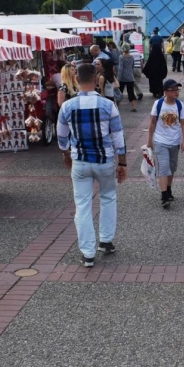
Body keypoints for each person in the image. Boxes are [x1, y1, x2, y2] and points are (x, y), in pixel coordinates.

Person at [57, 63, 127, 267]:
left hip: (80, 161)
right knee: (108, 198)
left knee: (83, 205)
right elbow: (118, 137)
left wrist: (66, 153)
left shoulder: (67, 106)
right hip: (104, 160)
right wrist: (122, 162)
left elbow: (61, 137)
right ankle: (105, 241)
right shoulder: (108, 105)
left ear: (77, 79)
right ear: (96, 79)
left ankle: (87, 253)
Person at [147, 79, 184, 208]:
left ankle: (168, 188)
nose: (176, 92)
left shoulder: (179, 105)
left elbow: (183, 124)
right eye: (173, 90)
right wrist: (150, 140)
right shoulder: (158, 104)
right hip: (160, 141)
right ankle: (164, 195)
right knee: (164, 167)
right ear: (165, 92)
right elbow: (153, 122)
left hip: (174, 141)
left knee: (172, 167)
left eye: (177, 90)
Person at [117, 44, 138, 112]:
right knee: (131, 92)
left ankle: (117, 106)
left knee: (119, 92)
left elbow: (120, 68)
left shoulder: (121, 57)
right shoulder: (131, 57)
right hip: (130, 77)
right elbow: (132, 66)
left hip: (122, 77)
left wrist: (118, 78)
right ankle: (134, 107)